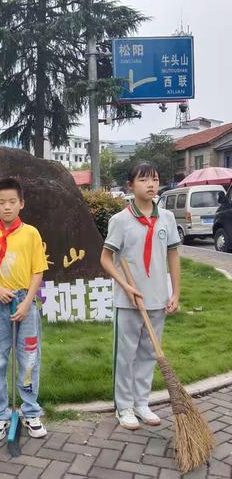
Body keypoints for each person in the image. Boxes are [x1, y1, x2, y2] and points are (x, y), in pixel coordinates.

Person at [100, 163, 181, 430]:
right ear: (130, 185)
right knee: (126, 355)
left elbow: (173, 255)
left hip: (157, 298)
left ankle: (141, 402)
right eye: (144, 180)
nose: (151, 185)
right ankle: (123, 406)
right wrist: (126, 286)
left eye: (155, 180)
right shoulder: (120, 220)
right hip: (128, 301)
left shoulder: (166, 218)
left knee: (149, 354)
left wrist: (175, 292)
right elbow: (106, 258)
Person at [0, 177, 49, 441]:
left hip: (25, 303)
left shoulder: (31, 234)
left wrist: (27, 302)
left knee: (28, 359)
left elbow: (38, 271)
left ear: (21, 204)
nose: (7, 207)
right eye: (1, 202)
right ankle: (0, 415)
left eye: (12, 202)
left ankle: (29, 410)